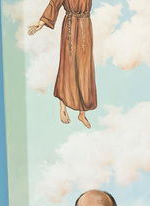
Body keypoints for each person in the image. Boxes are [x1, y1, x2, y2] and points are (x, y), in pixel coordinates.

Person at [27, 0, 96, 128]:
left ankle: (82, 113)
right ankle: (63, 106)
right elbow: (54, 3)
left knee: (85, 68)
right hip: (70, 27)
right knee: (68, 66)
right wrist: (42, 22)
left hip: (85, 26)